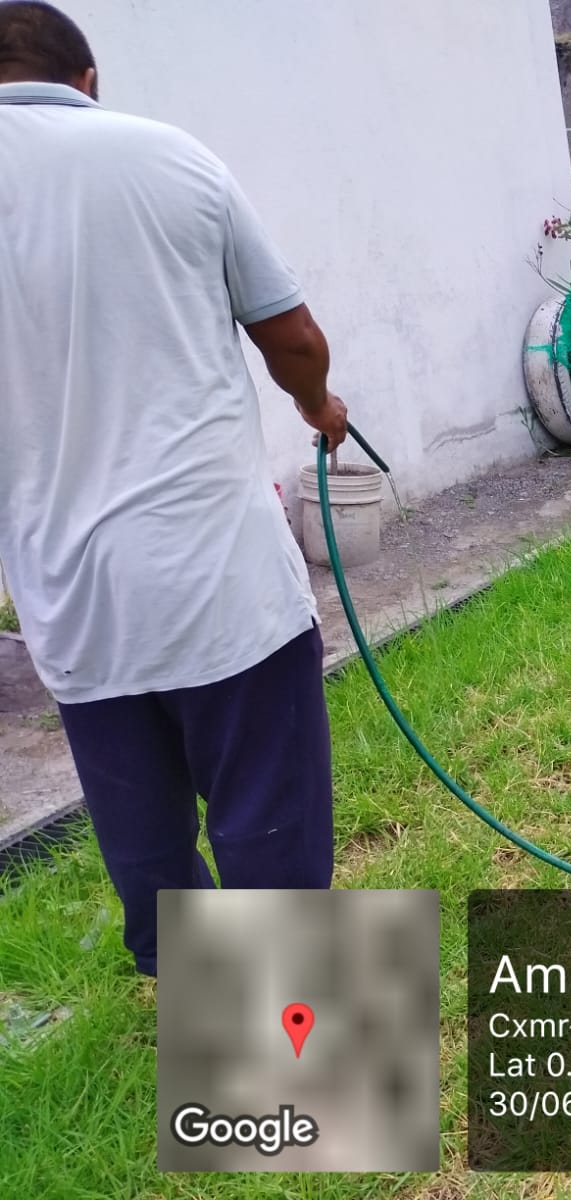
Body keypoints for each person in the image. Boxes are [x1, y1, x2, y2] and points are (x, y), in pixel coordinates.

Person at [0, 2, 349, 977]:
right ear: (87, 82)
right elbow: (293, 339)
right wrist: (318, 406)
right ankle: (294, 1042)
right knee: (269, 829)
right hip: (217, 578)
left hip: (72, 603)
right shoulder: (166, 156)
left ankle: (191, 994)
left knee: (145, 841)